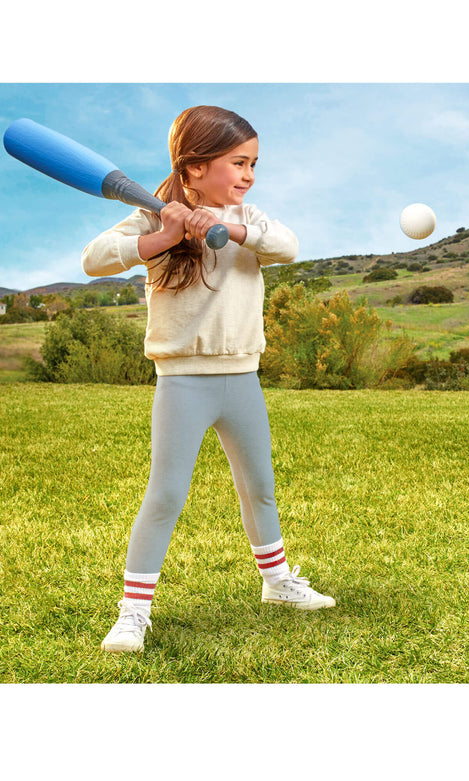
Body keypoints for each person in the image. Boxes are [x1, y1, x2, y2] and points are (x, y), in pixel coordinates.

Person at [82, 105, 335, 654]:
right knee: (167, 493)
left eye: (253, 164)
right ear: (195, 167)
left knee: (259, 487)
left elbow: (286, 246)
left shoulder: (252, 219)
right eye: (238, 162)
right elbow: (93, 260)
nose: (247, 175)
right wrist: (166, 235)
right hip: (183, 381)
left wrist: (231, 228)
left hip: (243, 377)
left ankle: (277, 582)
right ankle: (133, 613)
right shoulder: (153, 217)